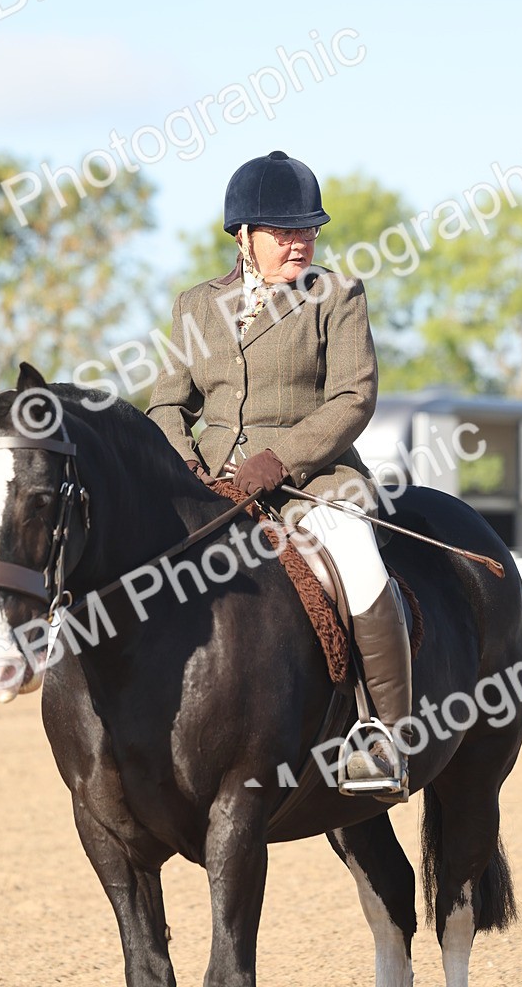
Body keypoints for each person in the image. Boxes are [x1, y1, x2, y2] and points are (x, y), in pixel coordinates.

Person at [146, 150, 412, 798]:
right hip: (209, 486)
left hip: (310, 481)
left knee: (357, 558)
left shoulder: (336, 297)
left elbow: (353, 398)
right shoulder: (195, 307)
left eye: (308, 231)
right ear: (244, 236)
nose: (301, 243)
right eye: (285, 232)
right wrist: (182, 465)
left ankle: (386, 736)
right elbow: (164, 402)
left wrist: (278, 461)